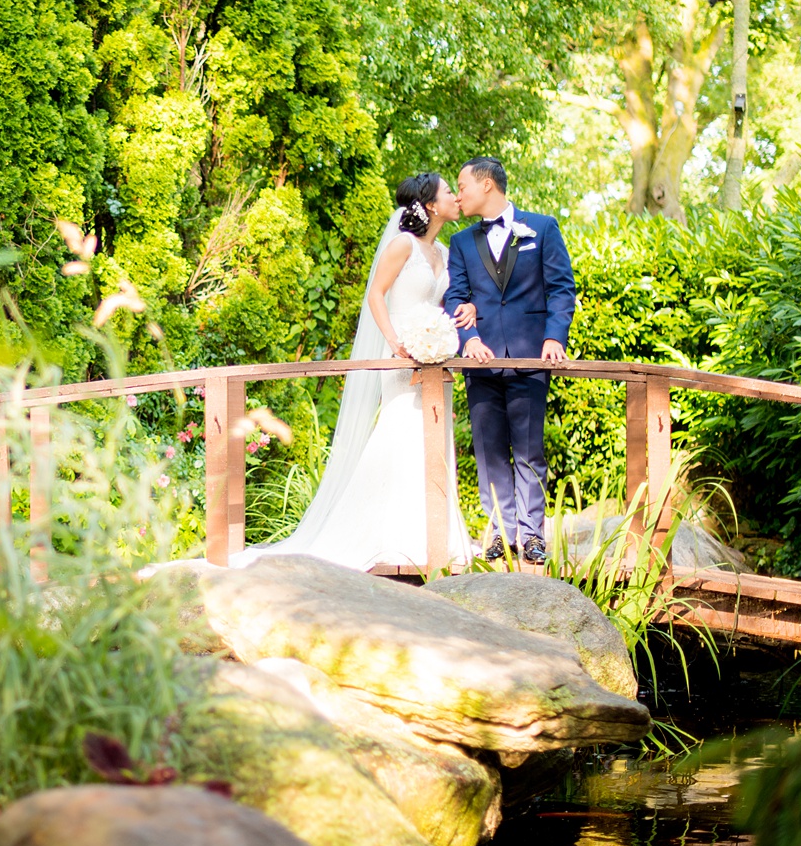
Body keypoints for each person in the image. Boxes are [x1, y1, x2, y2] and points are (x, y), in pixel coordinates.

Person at [230, 173, 475, 571]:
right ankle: (392, 536)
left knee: (435, 436)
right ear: (430, 204)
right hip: (401, 358)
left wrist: (452, 326)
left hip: (434, 359)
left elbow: (449, 301)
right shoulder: (403, 245)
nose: (455, 198)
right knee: (401, 435)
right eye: (449, 192)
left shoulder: (445, 253)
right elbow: (376, 293)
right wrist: (396, 341)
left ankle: (436, 535)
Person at [443, 157, 577, 564]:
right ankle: (499, 530)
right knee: (488, 450)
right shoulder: (462, 242)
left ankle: (533, 535)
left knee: (529, 449)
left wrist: (554, 337)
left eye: (462, 185)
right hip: (481, 362)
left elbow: (561, 289)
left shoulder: (543, 227)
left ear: (486, 185)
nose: (458, 193)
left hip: (531, 355)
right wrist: (469, 339)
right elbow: (455, 297)